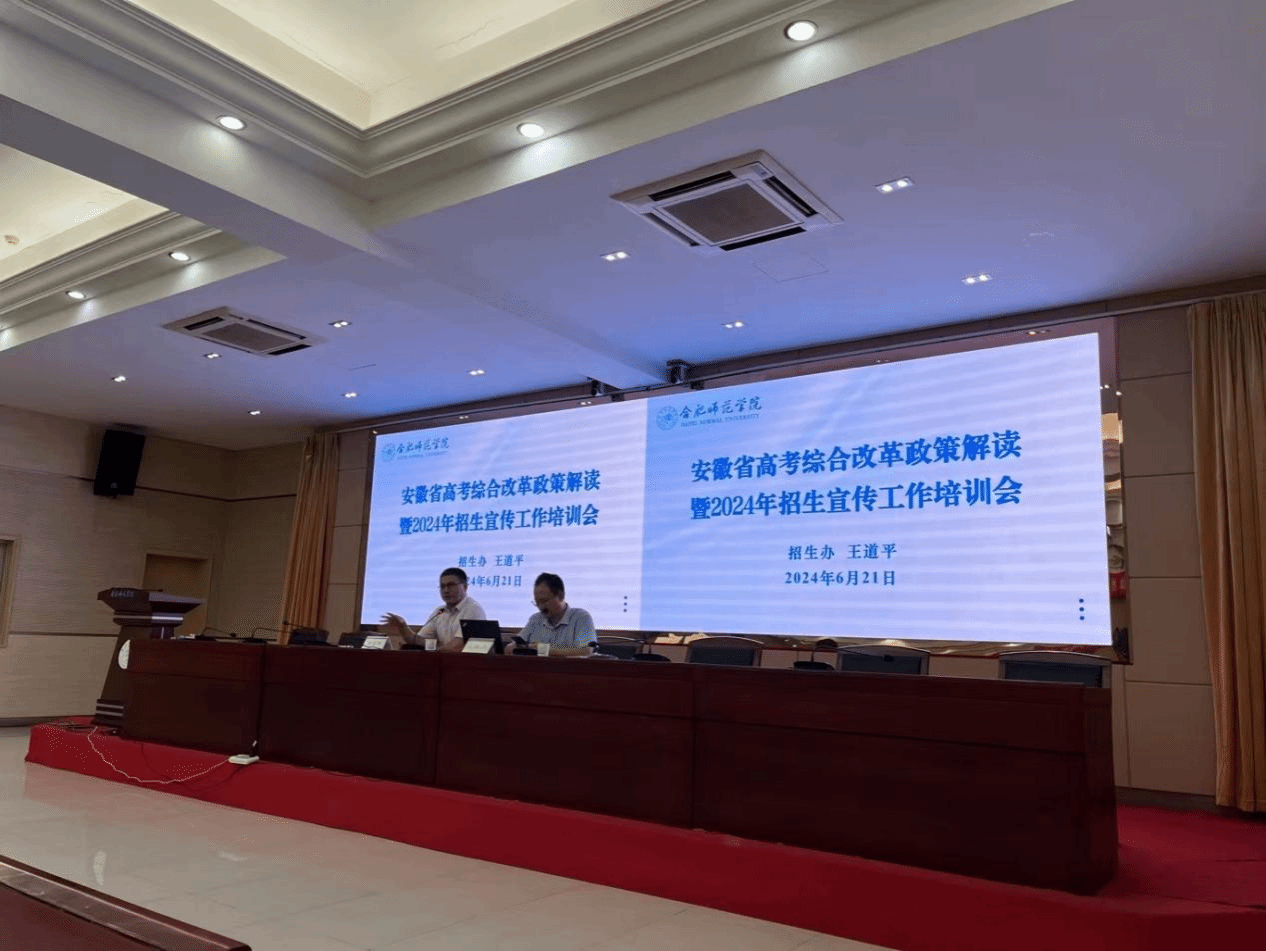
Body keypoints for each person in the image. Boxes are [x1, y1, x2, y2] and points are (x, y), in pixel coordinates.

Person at [380, 567, 485, 650]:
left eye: (451, 585)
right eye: (442, 586)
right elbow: (418, 641)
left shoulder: (473, 609)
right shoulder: (440, 611)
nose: (446, 590)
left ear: (465, 587)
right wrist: (403, 627)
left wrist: (432, 651)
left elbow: (456, 647)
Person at [517, 573, 595, 657]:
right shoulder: (535, 619)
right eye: (537, 602)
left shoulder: (581, 617)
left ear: (561, 596)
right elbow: (514, 645)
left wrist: (542, 649)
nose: (541, 607)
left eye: (545, 601)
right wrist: (514, 646)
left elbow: (586, 651)